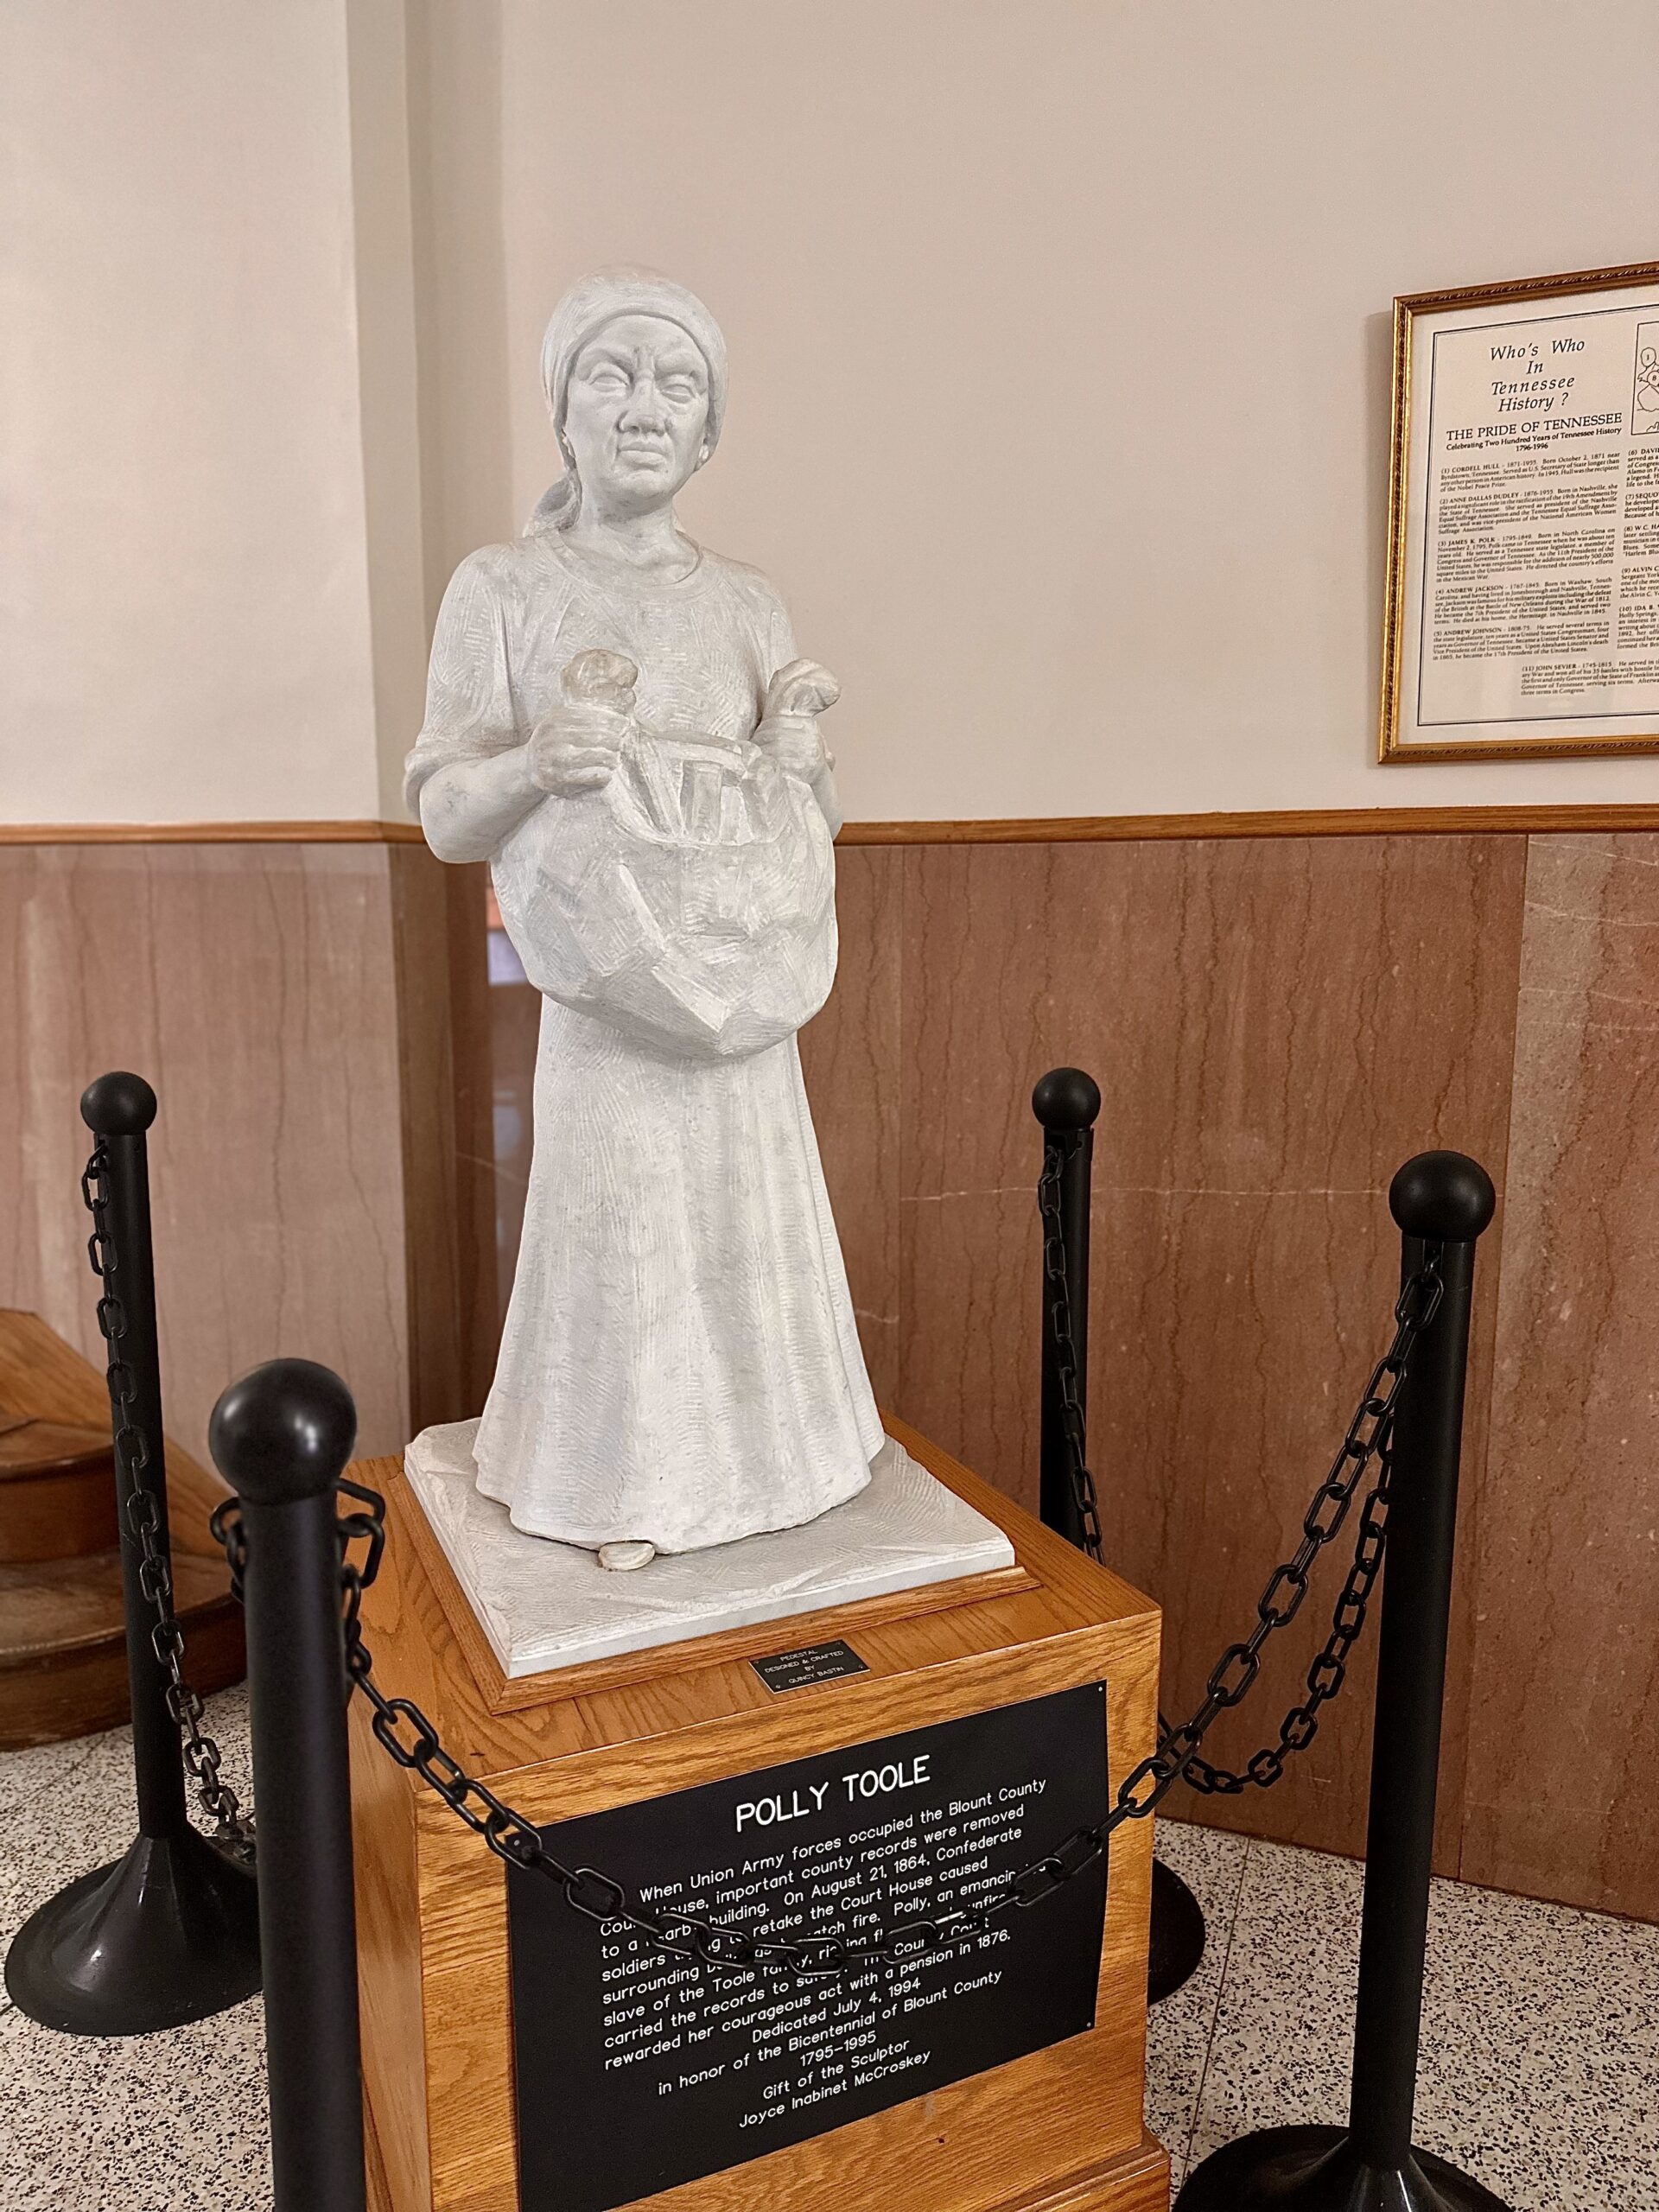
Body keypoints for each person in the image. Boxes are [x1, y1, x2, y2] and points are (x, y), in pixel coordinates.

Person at [407, 269, 882, 1568]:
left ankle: (784, 1461)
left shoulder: (746, 602)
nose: (644, 406)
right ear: (563, 410)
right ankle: (626, 1485)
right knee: (624, 1225)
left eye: (678, 384)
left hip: (744, 986)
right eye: (611, 375)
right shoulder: (500, 587)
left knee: (748, 1220)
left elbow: (812, 812)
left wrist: (791, 763)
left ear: (711, 429)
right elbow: (447, 812)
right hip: (610, 1002)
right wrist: (535, 765)